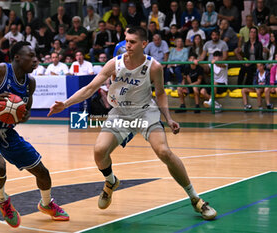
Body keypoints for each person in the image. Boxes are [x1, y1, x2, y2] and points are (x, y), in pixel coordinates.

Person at [48, 26, 217, 220]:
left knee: (163, 151)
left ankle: (196, 199)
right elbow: (90, 88)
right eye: (126, 41)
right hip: (120, 113)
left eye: (132, 42)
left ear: (143, 44)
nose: (128, 45)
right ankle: (111, 182)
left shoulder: (154, 67)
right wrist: (66, 104)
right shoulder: (114, 64)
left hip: (146, 112)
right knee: (99, 151)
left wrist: (169, 118)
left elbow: (160, 93)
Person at [0, 41, 69, 228]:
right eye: (31, 56)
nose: (36, 60)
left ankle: (47, 204)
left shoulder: (30, 83)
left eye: (36, 57)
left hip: (8, 134)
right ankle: (3, 200)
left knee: (42, 172)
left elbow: (26, 111)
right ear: (17, 57)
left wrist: (24, 115)